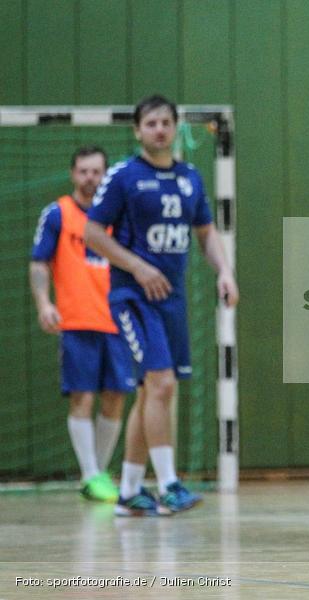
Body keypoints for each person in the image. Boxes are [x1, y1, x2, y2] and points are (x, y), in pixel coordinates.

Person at [84, 95, 238, 516]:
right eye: (150, 123)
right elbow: (93, 233)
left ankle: (130, 490)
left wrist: (224, 271)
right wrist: (138, 267)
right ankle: (169, 484)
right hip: (133, 297)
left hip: (171, 299)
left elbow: (206, 233)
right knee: (162, 384)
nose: (159, 129)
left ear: (174, 128)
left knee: (152, 390)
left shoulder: (190, 178)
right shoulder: (124, 176)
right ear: (137, 130)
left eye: (166, 122)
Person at [29, 146, 132, 503]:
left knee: (116, 397)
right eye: (84, 171)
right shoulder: (58, 214)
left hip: (117, 320)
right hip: (76, 320)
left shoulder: (118, 217)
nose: (90, 178)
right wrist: (44, 303)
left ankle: (98, 473)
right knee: (82, 396)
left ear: (105, 176)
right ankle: (90, 474)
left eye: (97, 172)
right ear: (73, 174)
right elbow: (39, 262)